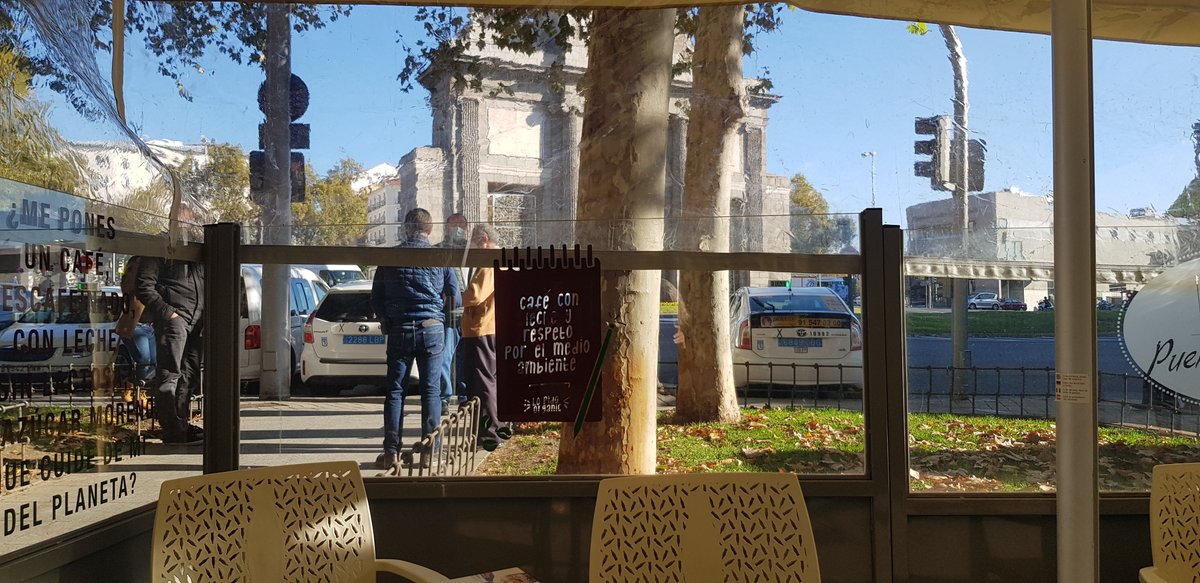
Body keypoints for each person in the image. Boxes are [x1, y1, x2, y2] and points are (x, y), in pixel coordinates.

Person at [371, 208, 461, 468]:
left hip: (400, 328)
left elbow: (376, 298)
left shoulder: (390, 257)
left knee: (395, 391)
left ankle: (391, 453)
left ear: (406, 228)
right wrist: (440, 316)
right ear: (430, 229)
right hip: (431, 328)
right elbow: (455, 296)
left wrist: (389, 319)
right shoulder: (440, 257)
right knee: (431, 390)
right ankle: (430, 453)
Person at [135, 250, 205, 445]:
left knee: (189, 375)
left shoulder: (195, 247)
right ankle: (173, 430)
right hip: (175, 319)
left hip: (196, 320)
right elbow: (143, 286)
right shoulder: (162, 247)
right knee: (170, 374)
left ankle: (181, 425)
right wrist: (168, 313)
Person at [459, 224, 506, 449]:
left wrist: (453, 297)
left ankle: (490, 434)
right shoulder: (501, 258)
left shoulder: (488, 261)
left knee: (482, 382)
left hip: (482, 328)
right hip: (493, 326)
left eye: (473, 242)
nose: (471, 246)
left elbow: (475, 295)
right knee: (490, 380)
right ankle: (496, 429)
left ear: (483, 239)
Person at [437, 212, 469, 410]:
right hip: (447, 313)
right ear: (446, 227)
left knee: (466, 359)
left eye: (461, 225)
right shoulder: (439, 251)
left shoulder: (473, 250)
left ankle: (465, 397)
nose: (457, 228)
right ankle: (444, 398)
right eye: (453, 225)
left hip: (470, 313)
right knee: (445, 358)